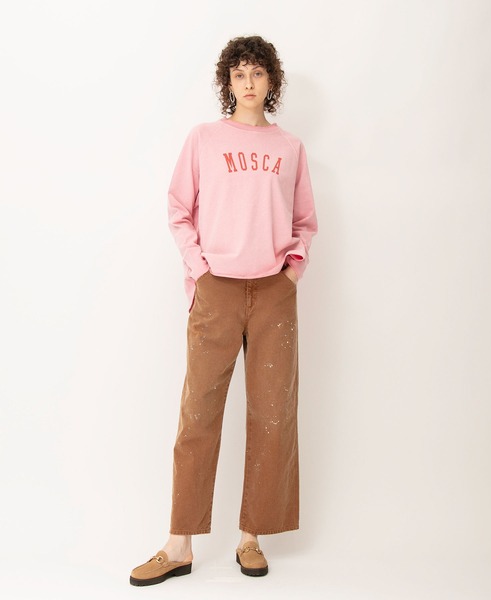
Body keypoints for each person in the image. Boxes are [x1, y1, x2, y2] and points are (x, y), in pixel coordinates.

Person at [130, 34, 318, 586]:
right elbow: (178, 208)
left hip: (273, 292)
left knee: (273, 415)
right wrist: (201, 269)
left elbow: (305, 222)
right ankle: (179, 544)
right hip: (216, 290)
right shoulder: (204, 139)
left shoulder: (290, 147)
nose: (248, 82)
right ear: (227, 82)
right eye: (239, 74)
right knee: (198, 415)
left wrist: (291, 272)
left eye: (258, 73)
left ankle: (251, 537)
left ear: (271, 81)